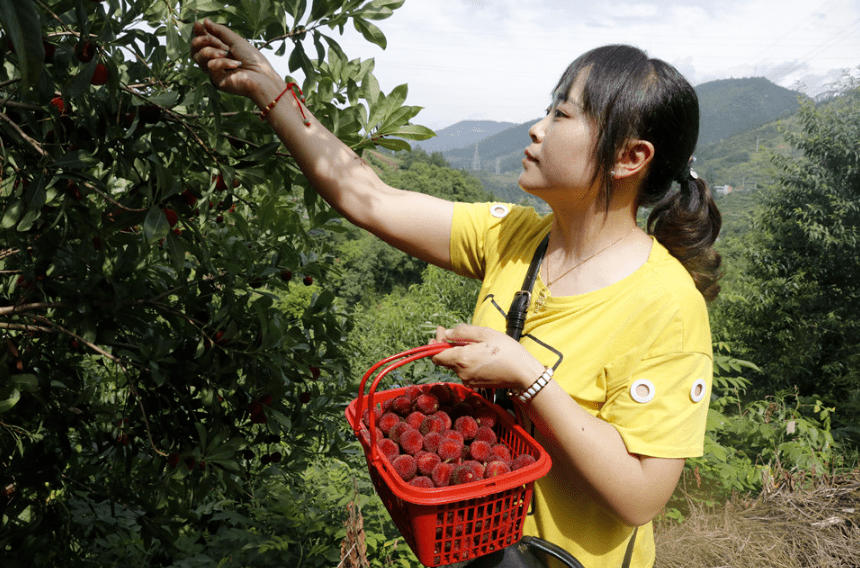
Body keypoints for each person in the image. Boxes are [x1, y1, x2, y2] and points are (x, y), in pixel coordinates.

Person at [191, 19, 721, 568]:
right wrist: (269, 88)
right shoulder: (513, 237)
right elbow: (369, 198)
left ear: (629, 158)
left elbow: (640, 496)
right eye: (549, 108)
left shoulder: (666, 306)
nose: (537, 129)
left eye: (562, 114)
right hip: (471, 551)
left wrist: (528, 376)